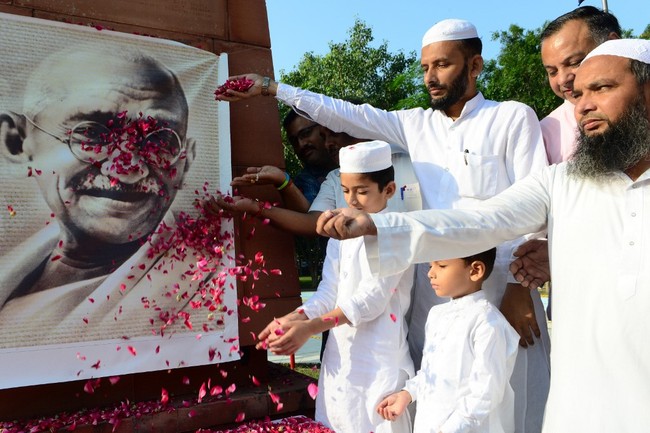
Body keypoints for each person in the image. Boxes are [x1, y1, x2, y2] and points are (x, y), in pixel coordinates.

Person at [217, 18, 549, 432]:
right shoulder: (415, 125)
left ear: (475, 64)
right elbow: (348, 114)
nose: (431, 77)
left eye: (442, 65)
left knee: (505, 399)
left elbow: (536, 203)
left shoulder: (512, 117)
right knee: (436, 398)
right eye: (425, 67)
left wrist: (520, 289)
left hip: (500, 285)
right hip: (436, 288)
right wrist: (273, 88)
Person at [316, 39, 650, 433]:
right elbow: (479, 222)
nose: (582, 105)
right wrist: (378, 225)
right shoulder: (561, 181)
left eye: (602, 88)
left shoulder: (509, 118)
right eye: (578, 94)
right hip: (578, 406)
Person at [0, 44, 214, 348]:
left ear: (184, 161)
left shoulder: (201, 279)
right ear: (17, 144)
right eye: (93, 133)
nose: (128, 169)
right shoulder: (20, 266)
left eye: (159, 140)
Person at [257, 141, 415, 433]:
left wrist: (312, 327)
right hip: (341, 356)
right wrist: (297, 317)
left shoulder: (397, 232)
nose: (352, 201)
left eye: (362, 191)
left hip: (379, 359)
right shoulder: (339, 236)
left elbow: (371, 301)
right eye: (345, 191)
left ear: (389, 190)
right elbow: (328, 292)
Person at [377, 248, 519, 433]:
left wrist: (452, 428)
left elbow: (487, 391)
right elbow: (431, 370)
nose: (430, 273)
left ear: (475, 270)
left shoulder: (487, 323)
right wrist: (408, 393)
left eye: (442, 266)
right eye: (430, 265)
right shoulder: (437, 315)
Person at [540, 6, 621, 164]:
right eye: (553, 72)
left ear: (613, 44)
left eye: (575, 62)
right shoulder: (545, 133)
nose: (563, 79)